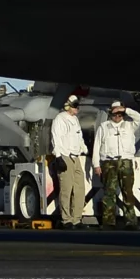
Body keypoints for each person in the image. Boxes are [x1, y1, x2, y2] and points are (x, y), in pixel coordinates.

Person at [94, 101, 140, 227]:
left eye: (120, 114)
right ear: (110, 114)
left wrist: (125, 109)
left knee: (128, 192)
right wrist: (96, 165)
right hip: (109, 162)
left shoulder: (129, 125)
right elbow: (97, 146)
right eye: (115, 114)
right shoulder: (103, 127)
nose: (117, 117)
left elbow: (139, 117)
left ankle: (131, 221)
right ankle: (108, 222)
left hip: (126, 161)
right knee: (109, 193)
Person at [49, 94, 89, 226]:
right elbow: (56, 138)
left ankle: (77, 219)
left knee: (79, 189)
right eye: (75, 106)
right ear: (68, 106)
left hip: (76, 157)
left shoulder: (75, 120)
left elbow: (79, 137)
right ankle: (66, 219)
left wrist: (85, 149)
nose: (77, 109)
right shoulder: (60, 119)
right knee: (66, 189)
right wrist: (59, 156)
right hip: (65, 156)